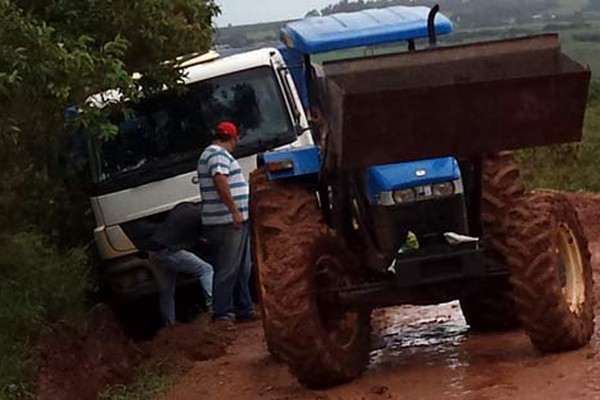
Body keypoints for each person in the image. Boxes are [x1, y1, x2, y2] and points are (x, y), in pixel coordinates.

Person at [197, 121, 256, 323]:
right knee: (228, 268)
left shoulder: (215, 153)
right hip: (226, 222)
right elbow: (220, 180)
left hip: (231, 220)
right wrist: (235, 211)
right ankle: (222, 313)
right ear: (234, 138)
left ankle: (244, 308)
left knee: (242, 267)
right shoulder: (217, 154)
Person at [147, 202, 214, 326]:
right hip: (169, 251)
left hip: (153, 252)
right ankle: (214, 309)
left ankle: (170, 326)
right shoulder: (201, 216)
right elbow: (205, 239)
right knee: (206, 269)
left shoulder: (183, 207)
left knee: (166, 291)